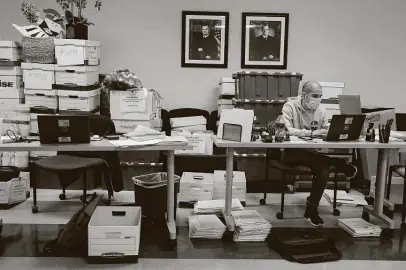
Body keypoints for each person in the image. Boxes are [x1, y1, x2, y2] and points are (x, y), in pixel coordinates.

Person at [281, 81, 358, 227]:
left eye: (320, 96)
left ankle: (311, 209)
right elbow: (286, 130)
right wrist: (311, 133)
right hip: (291, 153)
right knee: (319, 162)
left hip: (314, 154)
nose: (318, 99)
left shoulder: (321, 110)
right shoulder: (289, 106)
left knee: (323, 170)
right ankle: (340, 164)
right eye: (315, 95)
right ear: (304, 95)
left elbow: (326, 128)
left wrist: (335, 131)